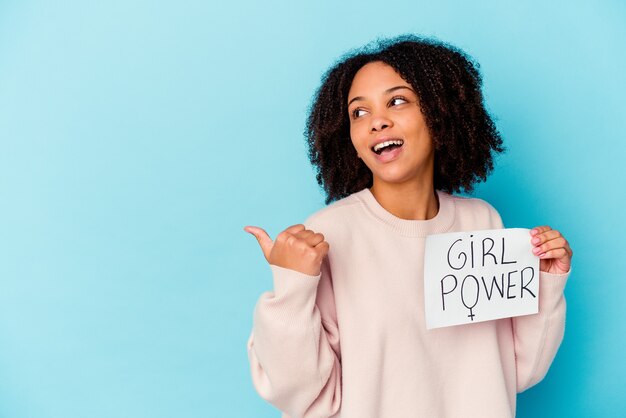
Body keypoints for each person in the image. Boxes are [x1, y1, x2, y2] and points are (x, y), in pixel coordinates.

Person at [244, 34, 573, 418]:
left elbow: (515, 370)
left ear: (439, 113)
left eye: (397, 101)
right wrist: (292, 288)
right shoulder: (329, 234)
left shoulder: (482, 222)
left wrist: (546, 284)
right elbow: (301, 395)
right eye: (358, 112)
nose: (377, 121)